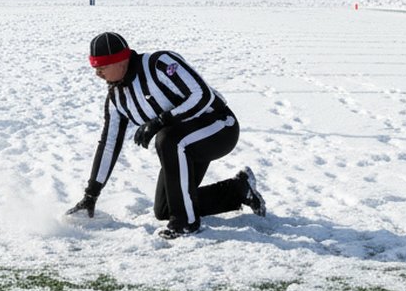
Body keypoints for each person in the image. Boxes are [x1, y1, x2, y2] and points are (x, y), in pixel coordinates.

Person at [66, 31, 266, 239]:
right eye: (95, 68)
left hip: (219, 127)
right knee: (165, 209)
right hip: (184, 144)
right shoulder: (117, 98)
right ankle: (238, 189)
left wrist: (161, 120)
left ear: (121, 61)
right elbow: (109, 145)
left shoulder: (159, 64)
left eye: (102, 67)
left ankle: (186, 224)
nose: (98, 73)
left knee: (168, 139)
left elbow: (202, 95)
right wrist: (91, 195)